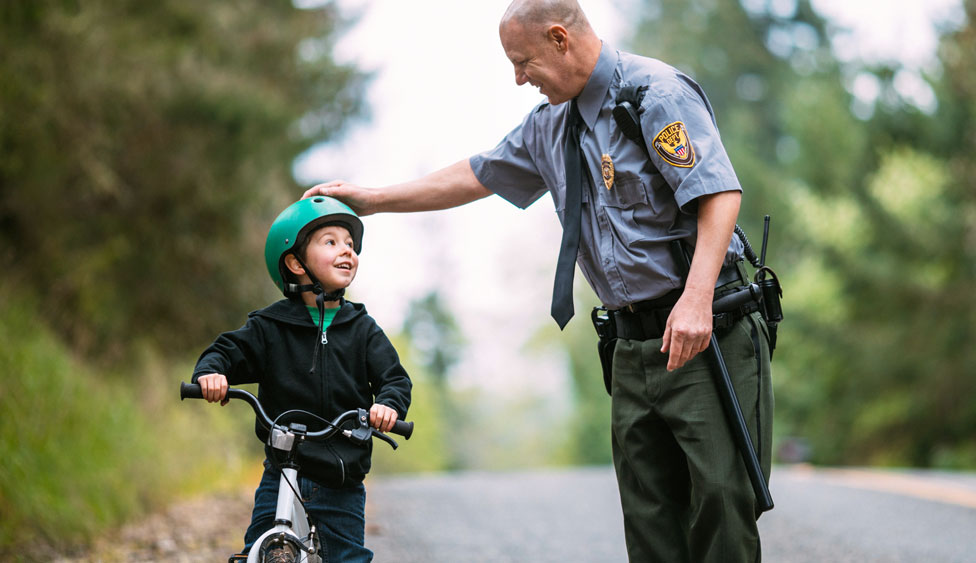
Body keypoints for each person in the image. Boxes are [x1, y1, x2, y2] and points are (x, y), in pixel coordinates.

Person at [304, 1, 773, 561]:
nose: (518, 77)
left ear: (559, 39)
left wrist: (696, 301)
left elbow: (719, 194)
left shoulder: (653, 94)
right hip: (630, 346)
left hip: (704, 333)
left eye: (523, 61)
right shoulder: (549, 126)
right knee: (650, 517)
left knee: (721, 504)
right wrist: (373, 200)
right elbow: (475, 175)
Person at [192, 196, 411, 562]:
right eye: (331, 242)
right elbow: (227, 351)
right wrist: (212, 373)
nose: (347, 251)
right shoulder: (269, 326)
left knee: (347, 557)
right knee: (257, 551)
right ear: (295, 262)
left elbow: (395, 379)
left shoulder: (362, 329)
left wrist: (387, 405)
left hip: (341, 474)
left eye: (350, 244)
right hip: (282, 469)